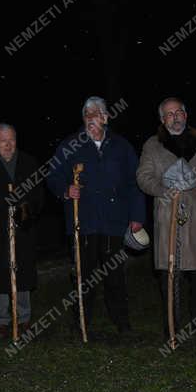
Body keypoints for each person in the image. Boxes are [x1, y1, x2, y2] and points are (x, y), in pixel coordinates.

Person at [46, 96, 146, 338]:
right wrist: (65, 190)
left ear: (106, 117)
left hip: (114, 220)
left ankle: (122, 323)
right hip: (84, 222)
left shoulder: (121, 146)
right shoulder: (70, 145)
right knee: (83, 276)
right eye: (87, 114)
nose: (91, 118)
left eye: (96, 113)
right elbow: (52, 175)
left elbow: (134, 183)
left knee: (115, 276)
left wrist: (137, 216)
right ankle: (81, 322)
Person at [136, 98, 196, 339]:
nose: (175, 116)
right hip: (168, 214)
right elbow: (143, 177)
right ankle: (172, 324)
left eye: (179, 111)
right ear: (163, 120)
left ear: (186, 115)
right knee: (171, 274)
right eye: (170, 114)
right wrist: (164, 188)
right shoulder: (152, 145)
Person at [0, 124, 44, 338]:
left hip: (23, 229)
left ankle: (23, 319)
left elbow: (39, 195)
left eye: (12, 140)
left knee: (22, 272)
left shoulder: (29, 162)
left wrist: (25, 208)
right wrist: (1, 203)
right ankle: (1, 321)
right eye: (3, 140)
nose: (8, 145)